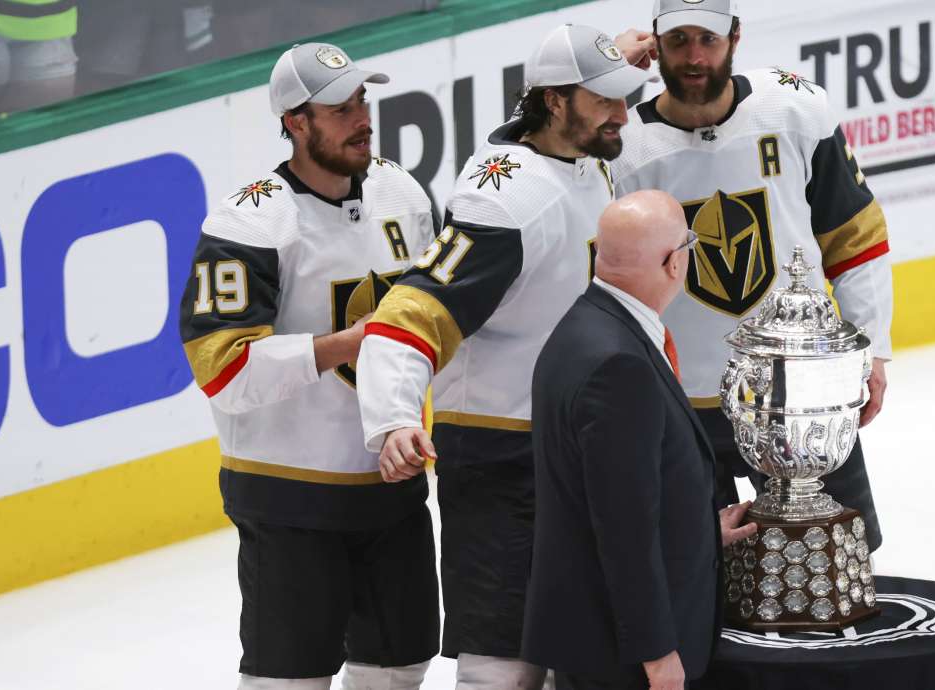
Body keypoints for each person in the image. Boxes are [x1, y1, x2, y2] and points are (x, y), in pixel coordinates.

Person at [356, 24, 656, 690]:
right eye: (604, 99)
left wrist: (610, 72)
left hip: (569, 454)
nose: (623, 115)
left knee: (572, 654)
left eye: (624, 97)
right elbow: (409, 315)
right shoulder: (510, 203)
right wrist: (392, 416)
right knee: (503, 666)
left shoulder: (574, 153)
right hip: (503, 466)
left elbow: (546, 137)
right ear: (554, 102)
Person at [178, 42, 439, 690]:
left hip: (391, 488)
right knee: (288, 684)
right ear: (296, 122)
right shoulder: (252, 218)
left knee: (401, 667)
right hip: (289, 501)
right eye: (339, 108)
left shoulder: (398, 192)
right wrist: (342, 346)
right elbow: (222, 368)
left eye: (361, 101)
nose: (361, 118)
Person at [612, 0, 893, 552]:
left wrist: (870, 348)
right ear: (654, 44)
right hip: (678, 403)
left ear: (735, 38)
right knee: (698, 581)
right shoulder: (619, 145)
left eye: (708, 40)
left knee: (833, 565)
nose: (694, 56)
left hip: (802, 389)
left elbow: (855, 238)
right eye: (678, 40)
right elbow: (530, 159)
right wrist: (609, 70)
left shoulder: (792, 107)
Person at [524, 191, 757, 690]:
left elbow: (614, 497)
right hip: (620, 657)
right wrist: (656, 654)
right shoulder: (619, 365)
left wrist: (697, 530)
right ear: (674, 262)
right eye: (689, 245)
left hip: (598, 638)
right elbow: (622, 529)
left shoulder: (583, 328)